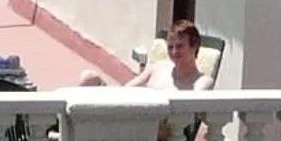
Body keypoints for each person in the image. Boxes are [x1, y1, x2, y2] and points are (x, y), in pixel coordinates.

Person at [80, 18, 214, 91]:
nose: (174, 52)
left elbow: (191, 110)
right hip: (128, 118)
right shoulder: (158, 68)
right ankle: (62, 124)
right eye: (170, 47)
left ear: (194, 46)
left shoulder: (201, 82)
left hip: (147, 133)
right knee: (89, 77)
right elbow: (125, 92)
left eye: (179, 46)